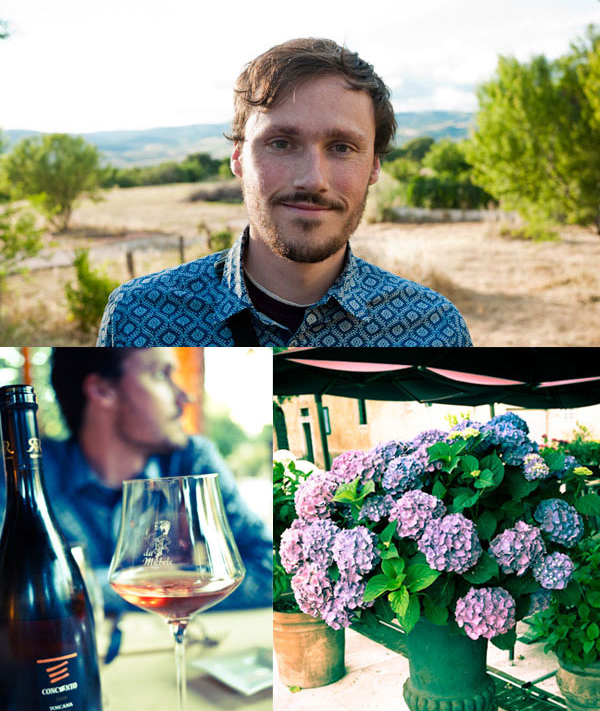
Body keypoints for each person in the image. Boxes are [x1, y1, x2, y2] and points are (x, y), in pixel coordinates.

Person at [98, 37, 471, 353]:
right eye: (281, 143)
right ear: (238, 156)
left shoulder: (434, 329)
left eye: (341, 147)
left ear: (374, 166)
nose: (312, 180)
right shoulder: (139, 318)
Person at [39, 344, 271, 619]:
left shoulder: (192, 462)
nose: (185, 396)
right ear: (102, 390)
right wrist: (175, 580)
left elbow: (269, 569)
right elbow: (22, 588)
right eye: (161, 374)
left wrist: (89, 587)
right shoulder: (29, 477)